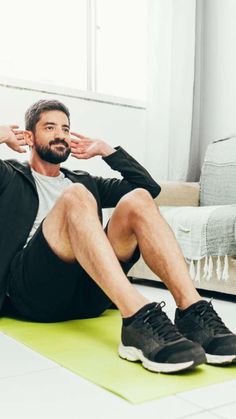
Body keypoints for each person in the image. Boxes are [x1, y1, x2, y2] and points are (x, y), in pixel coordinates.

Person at [0, 100, 235, 374]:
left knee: (138, 199)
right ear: (28, 136)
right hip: (34, 292)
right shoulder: (10, 175)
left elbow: (149, 187)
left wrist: (106, 151)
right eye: (50, 127)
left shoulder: (83, 180)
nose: (60, 134)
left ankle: (191, 311)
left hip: (88, 292)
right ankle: (137, 316)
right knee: (75, 197)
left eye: (65, 128)